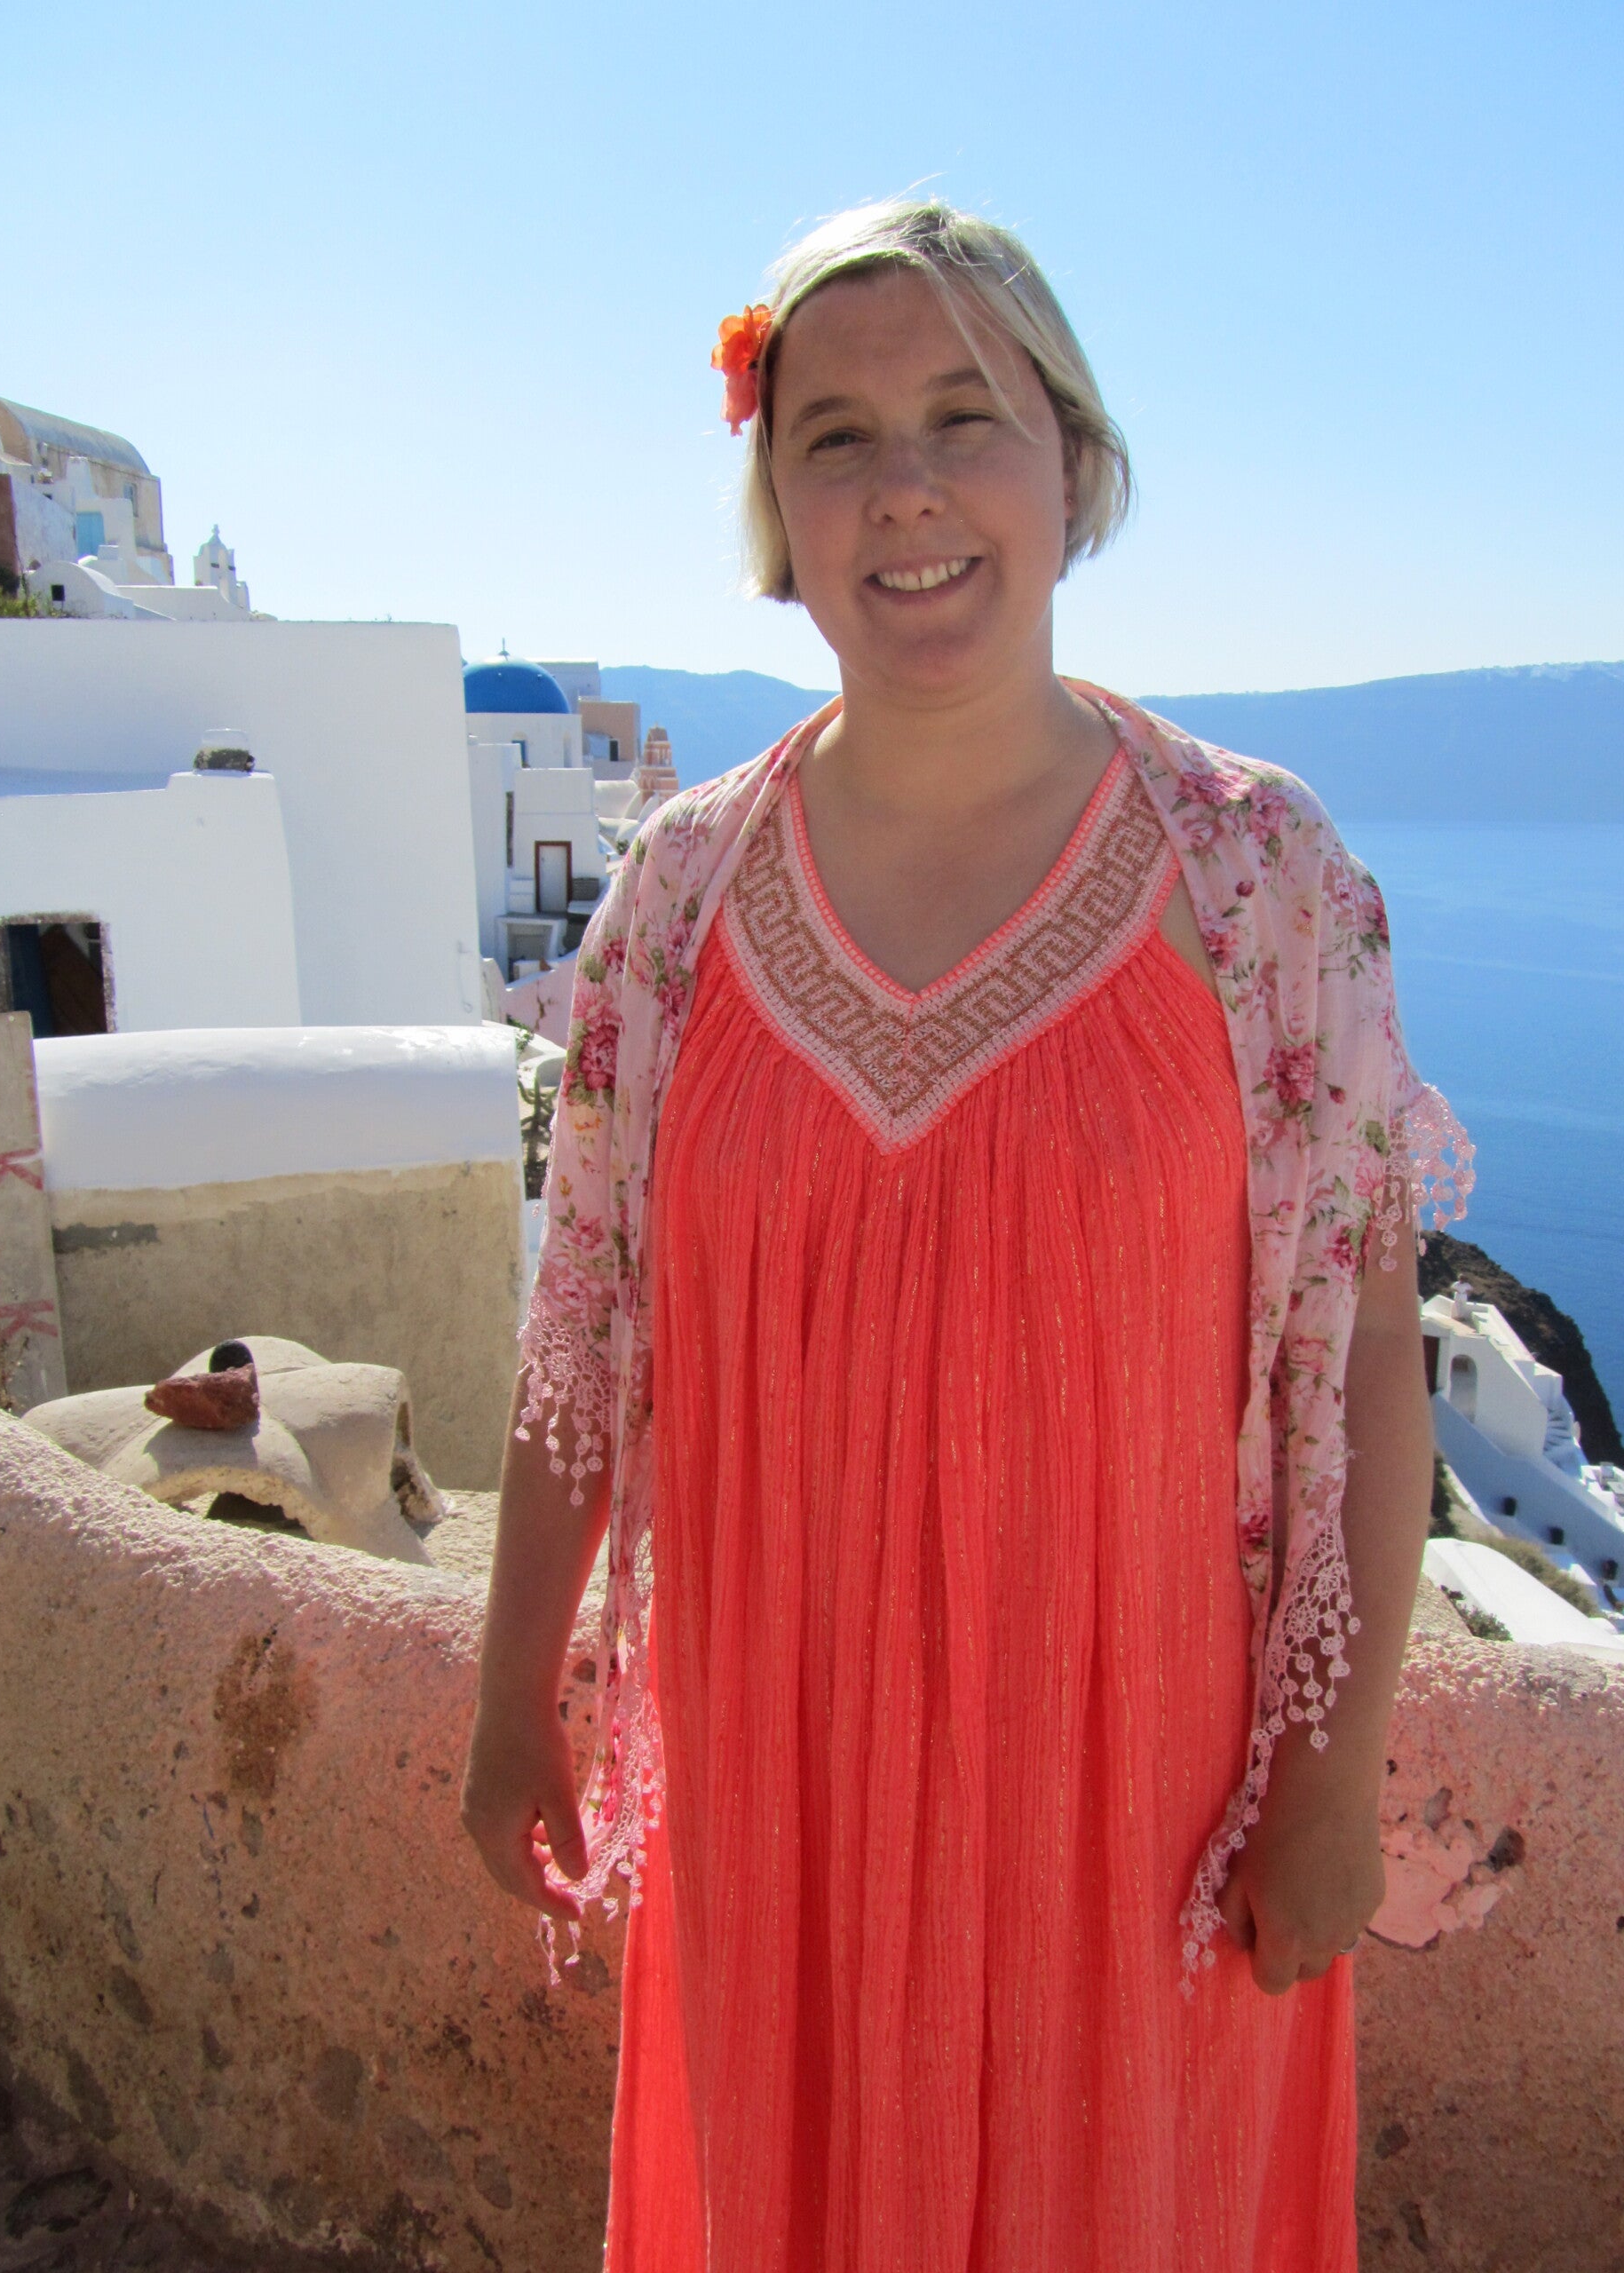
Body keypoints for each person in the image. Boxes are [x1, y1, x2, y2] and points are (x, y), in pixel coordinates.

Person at [462, 199, 1473, 2272]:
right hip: (783, 1789)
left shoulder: (1259, 874)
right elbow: (587, 1330)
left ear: (1074, 467)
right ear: (778, 510)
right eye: (835, 437)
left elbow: (1370, 1351)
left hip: (1145, 1805)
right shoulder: (675, 902)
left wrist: (1333, 1771)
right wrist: (510, 1698)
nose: (905, 487)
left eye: (965, 416)